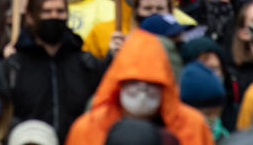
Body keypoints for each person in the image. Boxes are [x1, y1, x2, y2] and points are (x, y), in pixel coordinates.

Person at [65, 29, 214, 145]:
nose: (142, 89)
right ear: (118, 83)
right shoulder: (88, 128)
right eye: (133, 81)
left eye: (151, 82)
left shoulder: (192, 125)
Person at [6, 0, 103, 141]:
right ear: (30, 17)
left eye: (60, 11)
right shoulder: (13, 67)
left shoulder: (87, 64)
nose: (54, 17)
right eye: (46, 12)